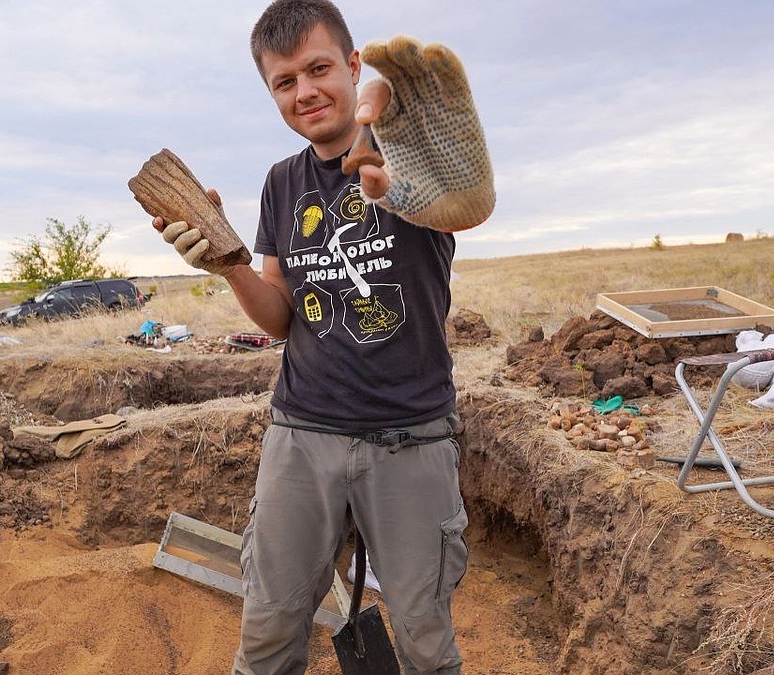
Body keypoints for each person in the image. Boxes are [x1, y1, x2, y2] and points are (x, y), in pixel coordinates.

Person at [152, 1, 493, 672]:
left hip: (410, 439)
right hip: (302, 435)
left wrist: (420, 177)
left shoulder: (408, 158)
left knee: (424, 637)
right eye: (284, 81)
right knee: (270, 627)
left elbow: (466, 199)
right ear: (272, 92)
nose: (304, 91)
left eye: (317, 69)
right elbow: (282, 316)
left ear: (351, 64)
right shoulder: (282, 183)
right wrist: (230, 268)